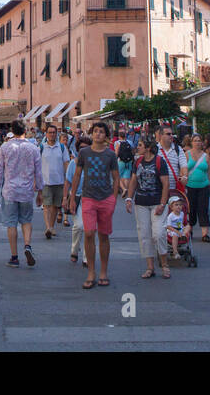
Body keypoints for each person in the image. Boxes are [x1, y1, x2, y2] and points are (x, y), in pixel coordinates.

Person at [71, 121, 119, 288]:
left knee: (104, 235)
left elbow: (116, 177)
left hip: (105, 198)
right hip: (88, 198)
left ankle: (103, 272)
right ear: (92, 134)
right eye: (96, 131)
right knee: (89, 233)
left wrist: (113, 199)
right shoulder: (84, 153)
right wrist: (71, 197)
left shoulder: (111, 155)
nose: (98, 134)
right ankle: (91, 271)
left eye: (101, 131)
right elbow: (77, 175)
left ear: (106, 136)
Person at [0, 119, 42, 268]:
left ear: (12, 131)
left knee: (11, 223)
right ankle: (27, 245)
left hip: (10, 191)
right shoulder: (33, 148)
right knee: (26, 220)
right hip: (26, 191)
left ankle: (14, 257)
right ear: (25, 130)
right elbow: (38, 172)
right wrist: (40, 191)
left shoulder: (5, 147)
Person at [124, 138, 169, 279]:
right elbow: (133, 181)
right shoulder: (137, 162)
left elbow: (166, 184)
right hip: (141, 203)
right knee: (144, 235)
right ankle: (150, 267)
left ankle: (164, 264)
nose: (137, 147)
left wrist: (162, 204)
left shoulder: (159, 162)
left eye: (140, 145)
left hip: (157, 202)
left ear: (148, 148)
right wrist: (129, 198)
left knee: (159, 233)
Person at [37, 123, 72, 239]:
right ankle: (48, 227)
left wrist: (68, 178)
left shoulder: (62, 148)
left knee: (55, 206)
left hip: (59, 181)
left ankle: (51, 227)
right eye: (50, 132)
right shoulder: (41, 147)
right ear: (46, 134)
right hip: (45, 181)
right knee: (46, 205)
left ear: (56, 134)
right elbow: (36, 164)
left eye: (54, 132)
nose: (52, 135)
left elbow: (66, 163)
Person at [185, 134, 210, 243]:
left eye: (199, 141)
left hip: (204, 186)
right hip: (190, 186)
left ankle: (205, 234)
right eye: (195, 141)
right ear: (191, 142)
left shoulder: (206, 156)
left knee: (203, 209)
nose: (197, 143)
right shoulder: (186, 155)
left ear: (202, 143)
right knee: (190, 209)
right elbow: (182, 170)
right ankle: (189, 230)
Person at [64, 149, 86, 264]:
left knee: (89, 228)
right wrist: (65, 199)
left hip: (90, 197)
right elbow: (68, 182)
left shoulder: (93, 162)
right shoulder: (73, 163)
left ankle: (87, 258)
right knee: (79, 225)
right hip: (76, 196)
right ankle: (74, 248)